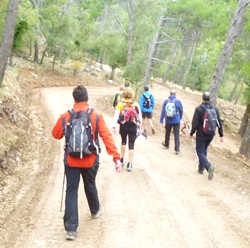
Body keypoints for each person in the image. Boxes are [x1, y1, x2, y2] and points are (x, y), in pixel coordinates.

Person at [52, 86, 122, 241]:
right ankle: (95, 210)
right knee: (90, 184)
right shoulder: (96, 115)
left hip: (71, 161)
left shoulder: (66, 116)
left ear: (74, 99)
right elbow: (106, 137)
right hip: (90, 160)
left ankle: (71, 229)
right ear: (87, 98)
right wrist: (116, 157)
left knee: (71, 191)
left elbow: (55, 134)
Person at [190, 92, 224, 180]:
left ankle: (208, 166)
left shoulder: (199, 109)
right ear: (209, 99)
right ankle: (201, 169)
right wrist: (221, 134)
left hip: (201, 134)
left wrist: (191, 133)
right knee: (204, 149)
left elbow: (195, 124)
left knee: (199, 151)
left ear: (202, 98)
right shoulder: (215, 109)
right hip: (211, 134)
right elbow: (219, 122)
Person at [112, 87, 142, 172]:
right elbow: (139, 116)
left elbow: (116, 116)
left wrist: (113, 126)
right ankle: (130, 163)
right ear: (132, 95)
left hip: (123, 125)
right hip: (133, 126)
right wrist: (139, 125)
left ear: (124, 95)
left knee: (123, 141)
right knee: (131, 144)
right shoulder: (135, 104)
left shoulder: (121, 104)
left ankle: (122, 159)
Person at [160, 89, 183, 155]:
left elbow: (163, 111)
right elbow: (181, 110)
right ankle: (177, 149)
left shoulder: (166, 101)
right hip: (176, 120)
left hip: (168, 120)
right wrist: (180, 118)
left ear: (169, 94)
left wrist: (161, 120)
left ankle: (166, 144)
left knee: (167, 132)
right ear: (175, 94)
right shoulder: (178, 101)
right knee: (176, 134)